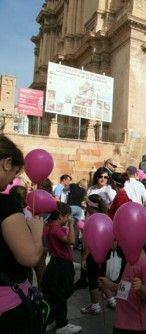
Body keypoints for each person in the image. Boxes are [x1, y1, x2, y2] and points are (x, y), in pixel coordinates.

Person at [0, 135, 44, 333]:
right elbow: (30, 257)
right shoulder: (5, 203)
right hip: (8, 311)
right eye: (16, 173)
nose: (13, 181)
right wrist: (36, 232)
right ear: (7, 163)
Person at [42, 202, 82, 333]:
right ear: (60, 216)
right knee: (61, 294)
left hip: (55, 263)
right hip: (62, 265)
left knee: (54, 294)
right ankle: (62, 325)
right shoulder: (56, 229)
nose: (68, 218)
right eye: (67, 216)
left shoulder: (48, 227)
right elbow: (71, 241)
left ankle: (51, 320)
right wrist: (71, 225)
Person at [98, 248, 146, 334]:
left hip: (136, 326)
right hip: (121, 320)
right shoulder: (130, 261)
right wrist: (109, 285)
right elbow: (124, 287)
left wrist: (141, 288)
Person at [80, 194, 120, 315]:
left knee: (92, 278)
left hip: (93, 254)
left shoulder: (93, 219)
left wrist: (84, 258)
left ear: (90, 207)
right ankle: (112, 300)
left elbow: (89, 243)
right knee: (101, 276)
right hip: (106, 252)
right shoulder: (106, 217)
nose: (85, 207)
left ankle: (95, 305)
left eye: (86, 205)